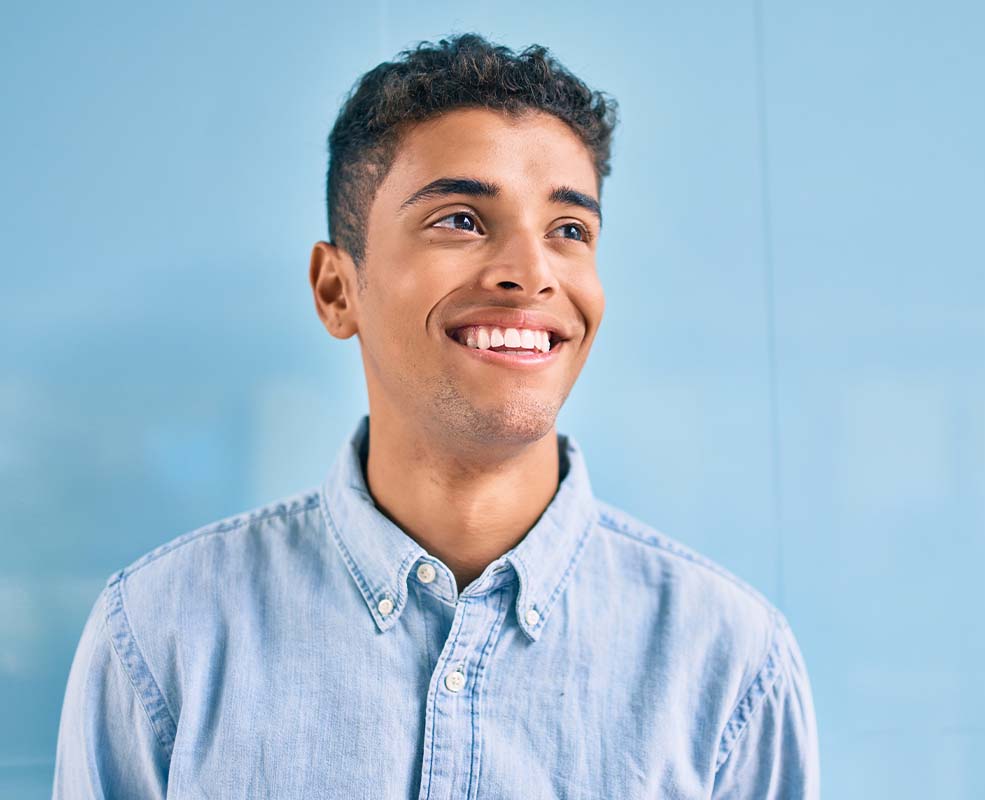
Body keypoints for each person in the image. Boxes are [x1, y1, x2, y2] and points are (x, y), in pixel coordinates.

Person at [52, 32, 818, 798]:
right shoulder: (159, 635)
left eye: (570, 231)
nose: (530, 274)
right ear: (335, 290)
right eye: (461, 219)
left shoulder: (730, 662)